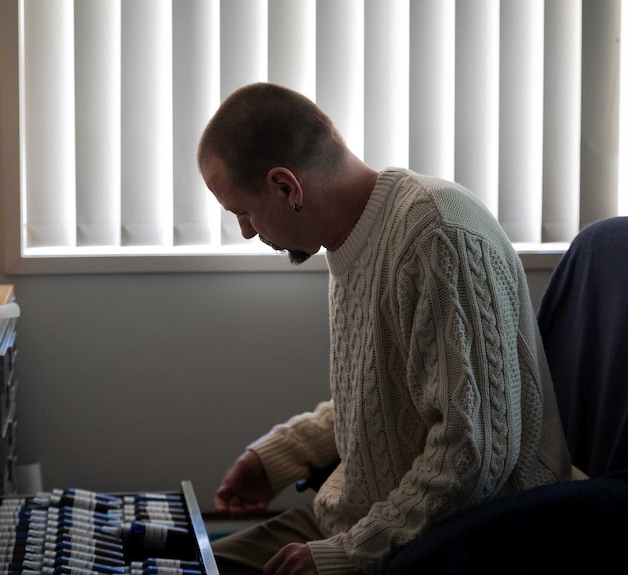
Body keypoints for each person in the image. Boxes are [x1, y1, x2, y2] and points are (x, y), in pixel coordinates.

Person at [196, 82, 572, 575]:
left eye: (242, 213)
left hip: (459, 538)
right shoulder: (353, 240)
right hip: (364, 520)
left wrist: (346, 554)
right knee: (181, 562)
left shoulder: (438, 235)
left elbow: (474, 449)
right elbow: (385, 398)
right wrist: (277, 458)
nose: (246, 231)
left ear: (287, 187)